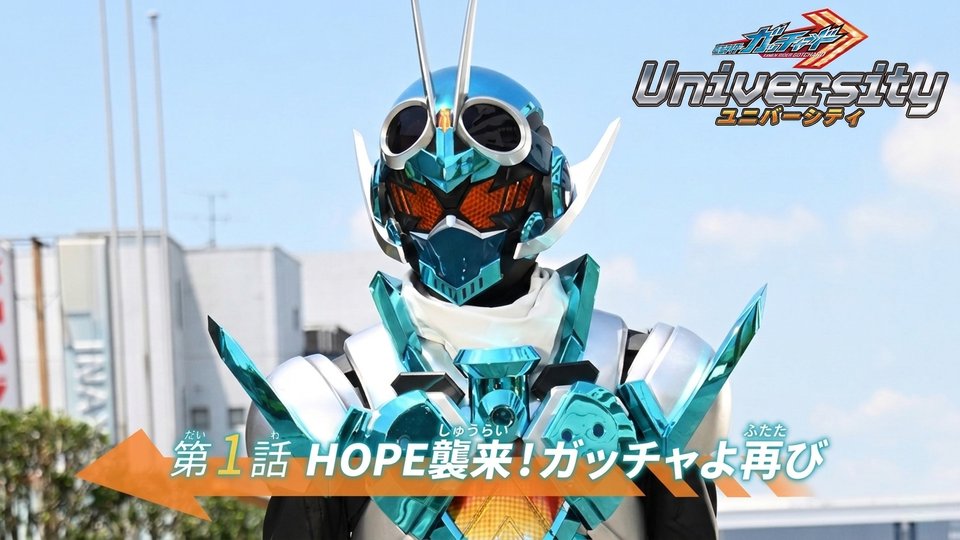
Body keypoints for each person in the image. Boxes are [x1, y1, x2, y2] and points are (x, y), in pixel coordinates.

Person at [212, 1, 764, 537]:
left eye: (483, 203)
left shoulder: (648, 374)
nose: (452, 229)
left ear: (546, 195)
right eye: (424, 204)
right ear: (390, 208)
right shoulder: (334, 399)